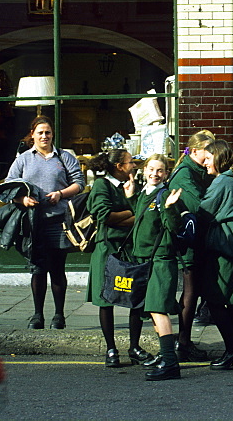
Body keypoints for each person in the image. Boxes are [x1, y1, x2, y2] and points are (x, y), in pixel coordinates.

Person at [5, 115, 84, 330]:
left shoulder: (64, 157)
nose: (44, 136)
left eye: (47, 132)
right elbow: (8, 186)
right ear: (33, 135)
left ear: (52, 135)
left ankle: (59, 316)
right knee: (37, 269)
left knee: (57, 269)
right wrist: (22, 199)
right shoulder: (23, 159)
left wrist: (60, 193)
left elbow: (79, 183)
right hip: (32, 222)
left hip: (59, 221)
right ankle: (37, 315)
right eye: (40, 132)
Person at [85, 148, 152, 368]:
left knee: (136, 299)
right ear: (119, 166)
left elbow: (143, 212)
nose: (134, 166)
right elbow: (105, 216)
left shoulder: (133, 186)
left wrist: (131, 202)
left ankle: (134, 347)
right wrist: (132, 216)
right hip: (108, 249)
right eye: (130, 162)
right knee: (106, 300)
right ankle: (111, 349)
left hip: (129, 249)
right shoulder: (102, 186)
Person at [197, 139, 233, 370]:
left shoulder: (222, 182)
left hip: (222, 247)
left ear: (219, 158)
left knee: (216, 300)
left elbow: (204, 212)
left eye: (208, 159)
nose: (205, 164)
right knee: (232, 300)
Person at [131, 155, 186, 381]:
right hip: (145, 260)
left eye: (160, 170)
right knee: (152, 310)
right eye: (151, 169)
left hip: (161, 259)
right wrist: (129, 197)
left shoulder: (164, 195)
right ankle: (166, 356)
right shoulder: (144, 193)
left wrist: (170, 208)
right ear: (144, 170)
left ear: (166, 174)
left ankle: (170, 363)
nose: (155, 173)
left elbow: (173, 227)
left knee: (158, 309)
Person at [167, 130, 215, 361]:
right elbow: (200, 206)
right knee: (190, 291)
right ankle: (183, 342)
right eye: (208, 150)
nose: (211, 155)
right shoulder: (185, 174)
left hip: (197, 241)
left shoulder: (197, 170)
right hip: (189, 243)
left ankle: (183, 341)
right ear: (195, 151)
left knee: (193, 291)